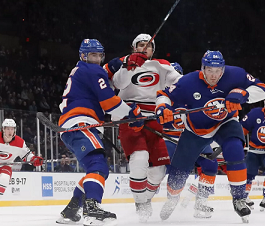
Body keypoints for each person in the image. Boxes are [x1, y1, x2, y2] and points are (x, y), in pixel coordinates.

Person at [155, 50, 265, 223]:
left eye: (217, 71)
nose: (213, 75)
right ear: (202, 68)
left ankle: (238, 198)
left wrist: (243, 94)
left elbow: (262, 89)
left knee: (235, 148)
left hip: (225, 123)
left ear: (223, 68)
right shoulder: (187, 82)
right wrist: (162, 108)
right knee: (178, 173)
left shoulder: (236, 74)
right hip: (195, 130)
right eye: (209, 70)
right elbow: (164, 95)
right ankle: (172, 198)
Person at [56, 39, 143, 226]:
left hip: (74, 125)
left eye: (98, 55)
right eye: (92, 55)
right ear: (83, 56)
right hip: (81, 123)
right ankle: (92, 207)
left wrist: (123, 60)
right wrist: (131, 113)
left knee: (94, 170)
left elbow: (105, 73)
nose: (96, 59)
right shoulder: (93, 71)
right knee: (99, 166)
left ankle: (71, 211)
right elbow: (109, 102)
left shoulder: (82, 70)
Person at [112, 34, 182, 222]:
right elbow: (118, 84)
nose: (144, 48)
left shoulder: (162, 64)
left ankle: (145, 199)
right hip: (130, 117)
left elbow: (180, 83)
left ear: (153, 50)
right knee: (140, 159)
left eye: (148, 45)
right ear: (134, 48)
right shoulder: (126, 63)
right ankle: (140, 202)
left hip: (153, 118)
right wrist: (129, 65)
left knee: (159, 171)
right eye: (140, 45)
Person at [165, 62, 218, 219]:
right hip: (169, 137)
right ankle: (172, 198)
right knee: (177, 172)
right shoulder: (163, 95)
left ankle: (201, 202)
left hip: (193, 137)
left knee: (211, 165)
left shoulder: (192, 92)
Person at [0, 119, 43, 196]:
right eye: (8, 129)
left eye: (12, 129)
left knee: (4, 178)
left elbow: (26, 155)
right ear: (3, 129)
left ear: (15, 130)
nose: (10, 131)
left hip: (5, 166)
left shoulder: (19, 142)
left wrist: (34, 160)